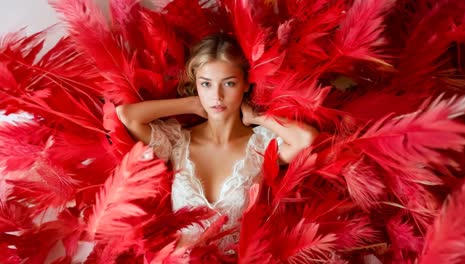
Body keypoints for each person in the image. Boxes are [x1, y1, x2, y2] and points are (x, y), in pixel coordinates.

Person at [116, 34, 318, 254]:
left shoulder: (261, 144)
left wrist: (256, 117)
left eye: (229, 83)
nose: (217, 96)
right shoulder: (177, 141)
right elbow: (127, 115)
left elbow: (306, 140)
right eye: (206, 84)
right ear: (196, 85)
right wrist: (191, 104)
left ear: (245, 85)